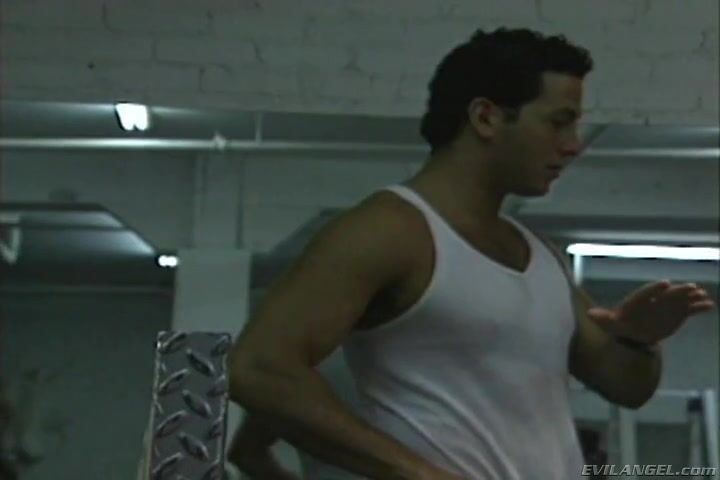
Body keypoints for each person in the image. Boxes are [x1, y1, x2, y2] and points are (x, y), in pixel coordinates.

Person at [225, 27, 717, 479]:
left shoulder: (539, 255)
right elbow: (258, 367)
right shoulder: (390, 230)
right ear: (486, 117)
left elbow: (627, 387)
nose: (572, 146)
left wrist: (639, 338)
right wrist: (417, 474)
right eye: (558, 123)